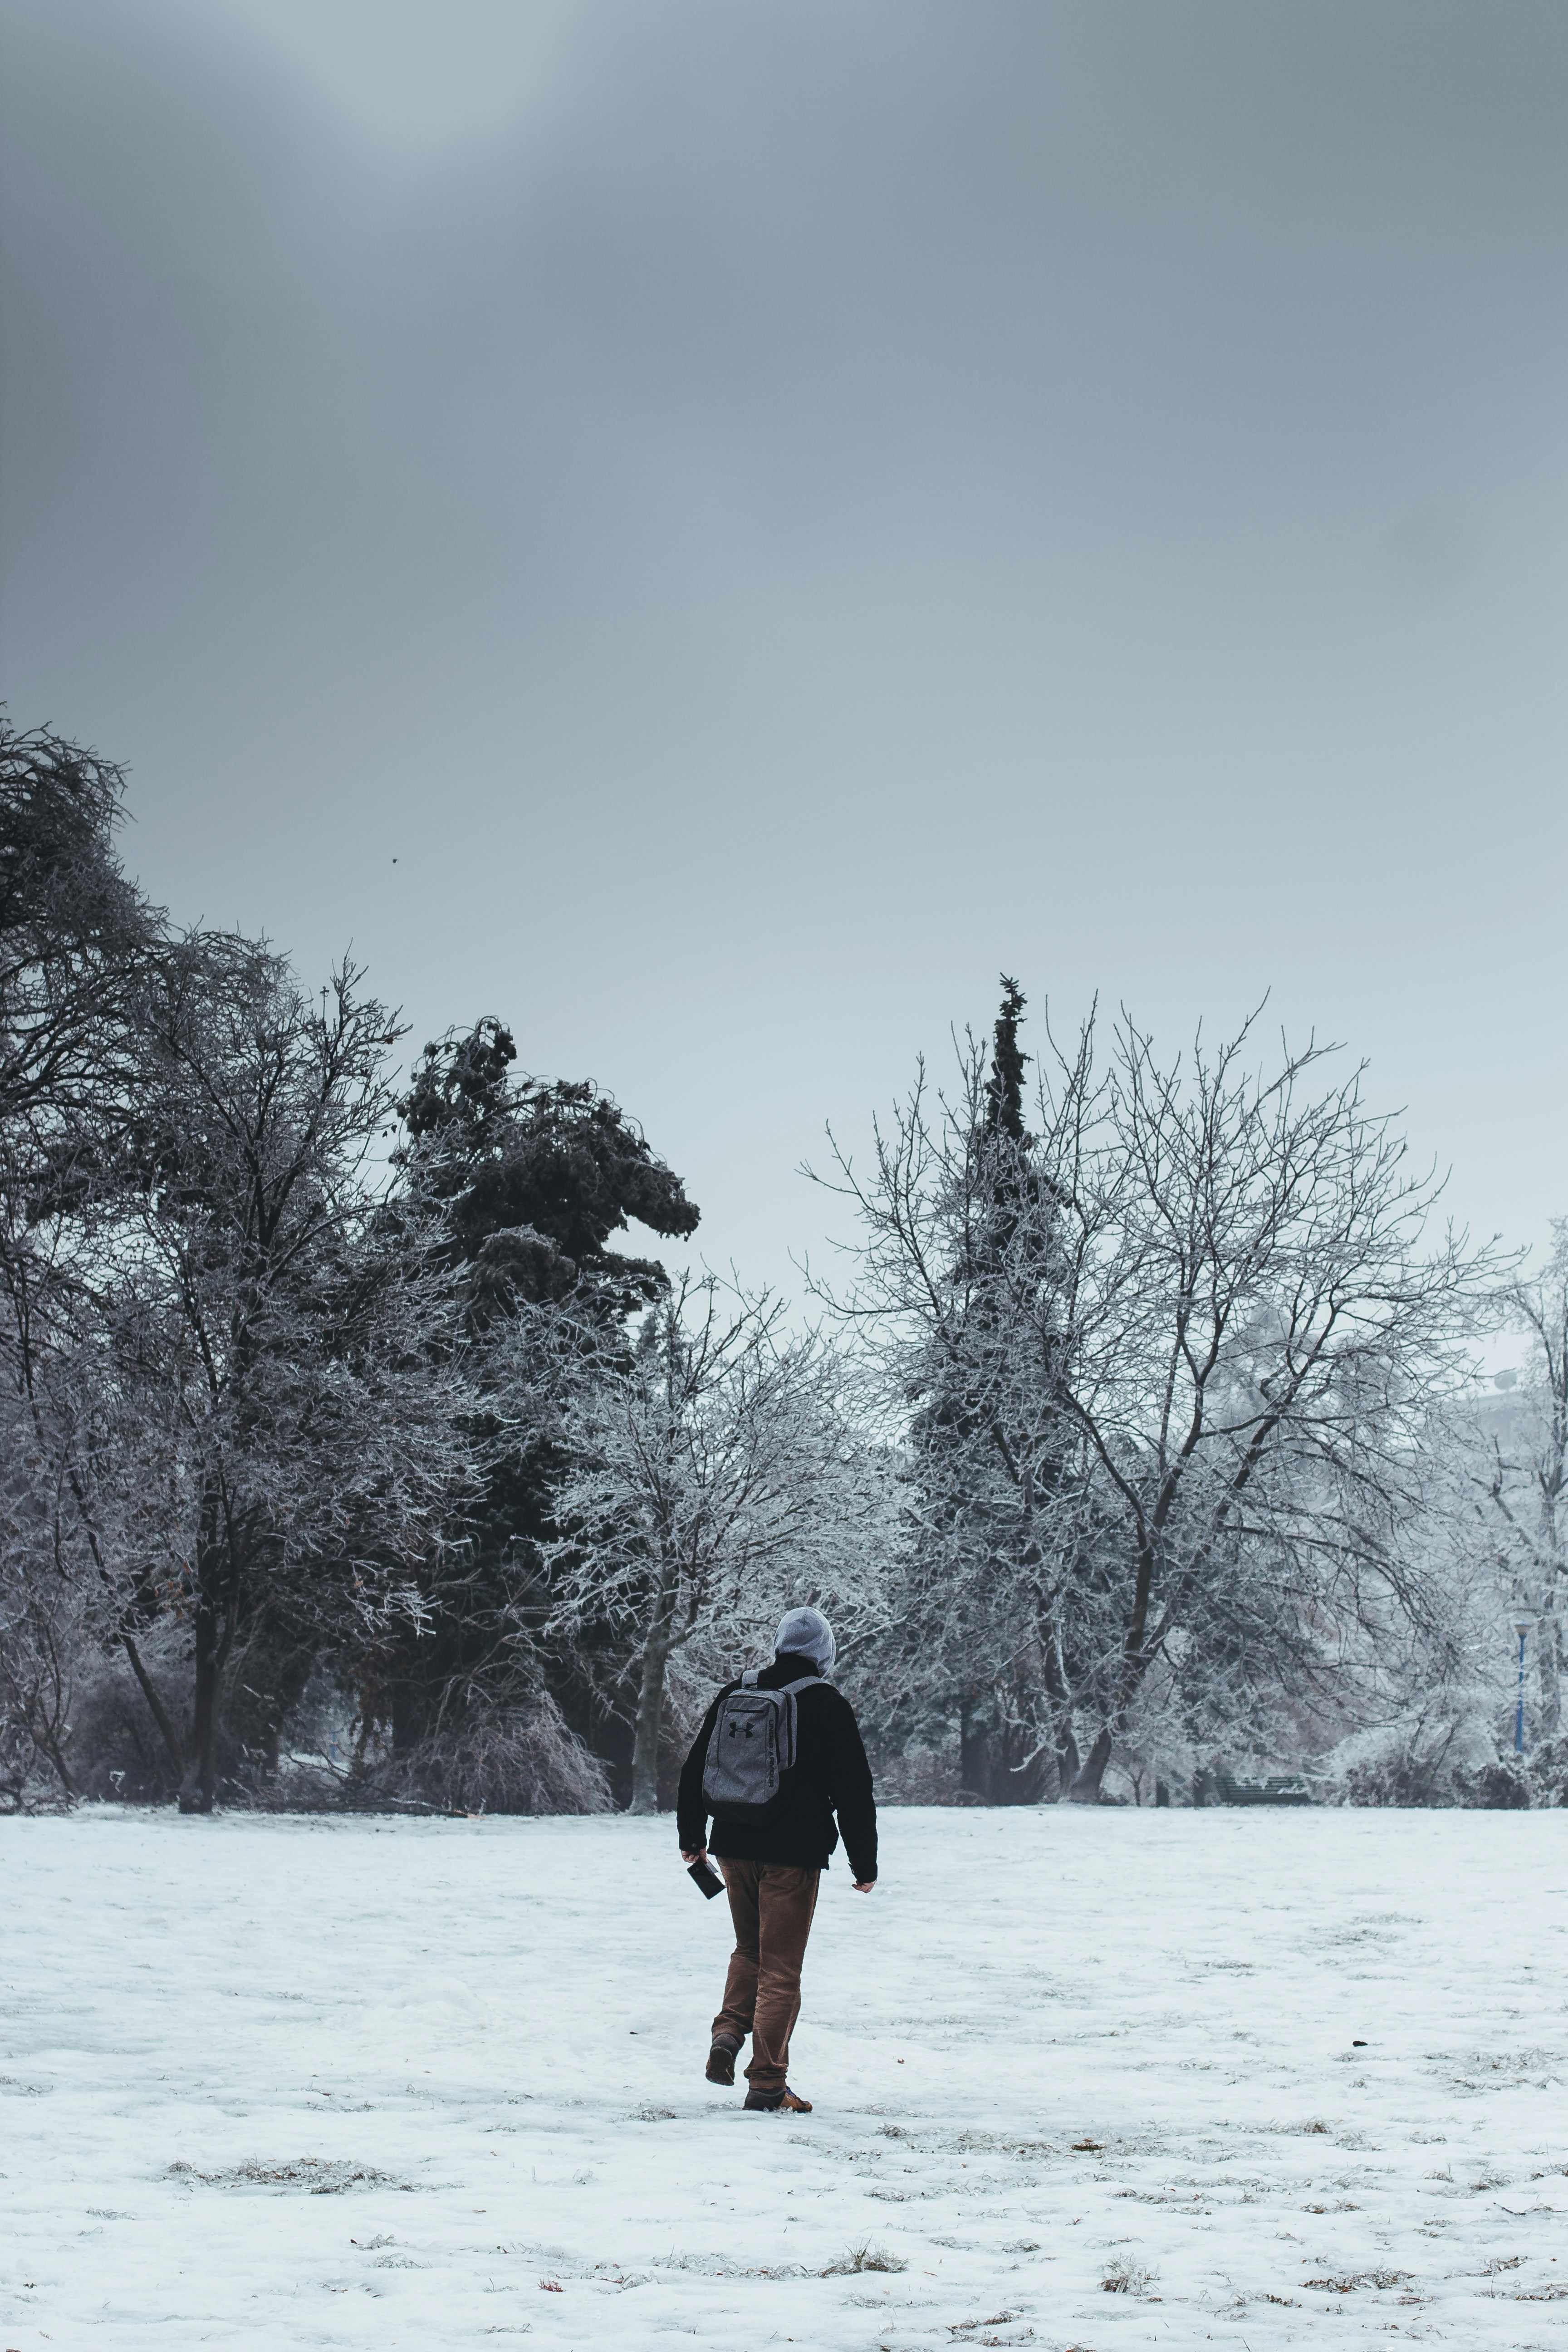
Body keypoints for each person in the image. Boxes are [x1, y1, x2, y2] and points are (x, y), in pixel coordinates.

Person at [677, 1604, 877, 2112]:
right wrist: (865, 1863)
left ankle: (727, 2035)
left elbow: (695, 1767)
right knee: (782, 1970)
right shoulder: (826, 1703)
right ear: (823, 1654)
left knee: (749, 1951)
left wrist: (692, 1837)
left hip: (733, 1846)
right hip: (793, 1855)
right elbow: (854, 1791)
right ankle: (767, 2082)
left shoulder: (738, 1692)